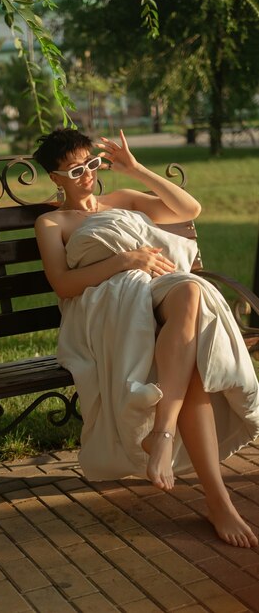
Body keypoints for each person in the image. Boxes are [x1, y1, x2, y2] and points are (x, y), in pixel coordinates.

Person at [33, 127, 259, 548]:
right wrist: (125, 260)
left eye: (92, 164)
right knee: (190, 364)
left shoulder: (121, 200)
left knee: (192, 289)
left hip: (156, 290)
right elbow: (63, 285)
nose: (87, 175)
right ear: (55, 177)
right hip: (108, 306)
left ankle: (163, 432)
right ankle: (218, 500)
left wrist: (135, 169)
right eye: (76, 169)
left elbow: (190, 207)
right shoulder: (52, 222)